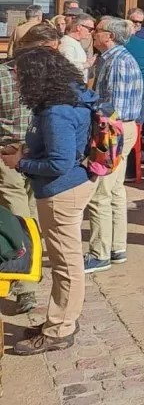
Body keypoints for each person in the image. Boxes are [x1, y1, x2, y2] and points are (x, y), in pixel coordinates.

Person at [1, 47, 96, 356]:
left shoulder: (57, 110)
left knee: (66, 263)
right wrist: (25, 151)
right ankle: (62, 319)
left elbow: (59, 162)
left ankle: (60, 328)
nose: (15, 80)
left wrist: (20, 163)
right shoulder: (65, 96)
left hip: (61, 193)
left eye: (19, 75)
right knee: (66, 260)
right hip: (65, 188)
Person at [85, 16, 144, 273]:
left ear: (109, 35)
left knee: (101, 192)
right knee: (115, 190)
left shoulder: (118, 61)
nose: (93, 34)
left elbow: (113, 111)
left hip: (114, 131)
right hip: (119, 129)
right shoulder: (112, 59)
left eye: (97, 31)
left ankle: (100, 253)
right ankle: (116, 247)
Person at [0, 37, 37, 314]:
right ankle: (27, 287)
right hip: (9, 154)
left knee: (25, 216)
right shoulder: (4, 77)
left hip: (34, 154)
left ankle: (26, 278)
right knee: (21, 214)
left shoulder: (42, 76)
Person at [58, 13, 95, 81]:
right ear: (79, 27)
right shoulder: (67, 44)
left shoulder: (74, 42)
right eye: (90, 29)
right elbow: (66, 67)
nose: (91, 32)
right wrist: (86, 64)